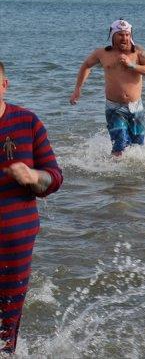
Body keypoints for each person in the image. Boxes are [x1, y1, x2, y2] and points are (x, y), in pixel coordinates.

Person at [0, 61, 64, 354]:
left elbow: (54, 177)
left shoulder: (28, 123)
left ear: (4, 85)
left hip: (15, 240)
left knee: (7, 321)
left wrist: (34, 176)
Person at [69, 19, 145, 156]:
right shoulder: (102, 53)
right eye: (120, 34)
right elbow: (86, 65)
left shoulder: (139, 52)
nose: (125, 38)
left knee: (138, 146)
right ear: (113, 36)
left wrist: (131, 65)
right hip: (114, 107)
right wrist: (78, 89)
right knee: (120, 144)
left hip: (136, 106)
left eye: (127, 35)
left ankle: (130, 176)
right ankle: (114, 175)